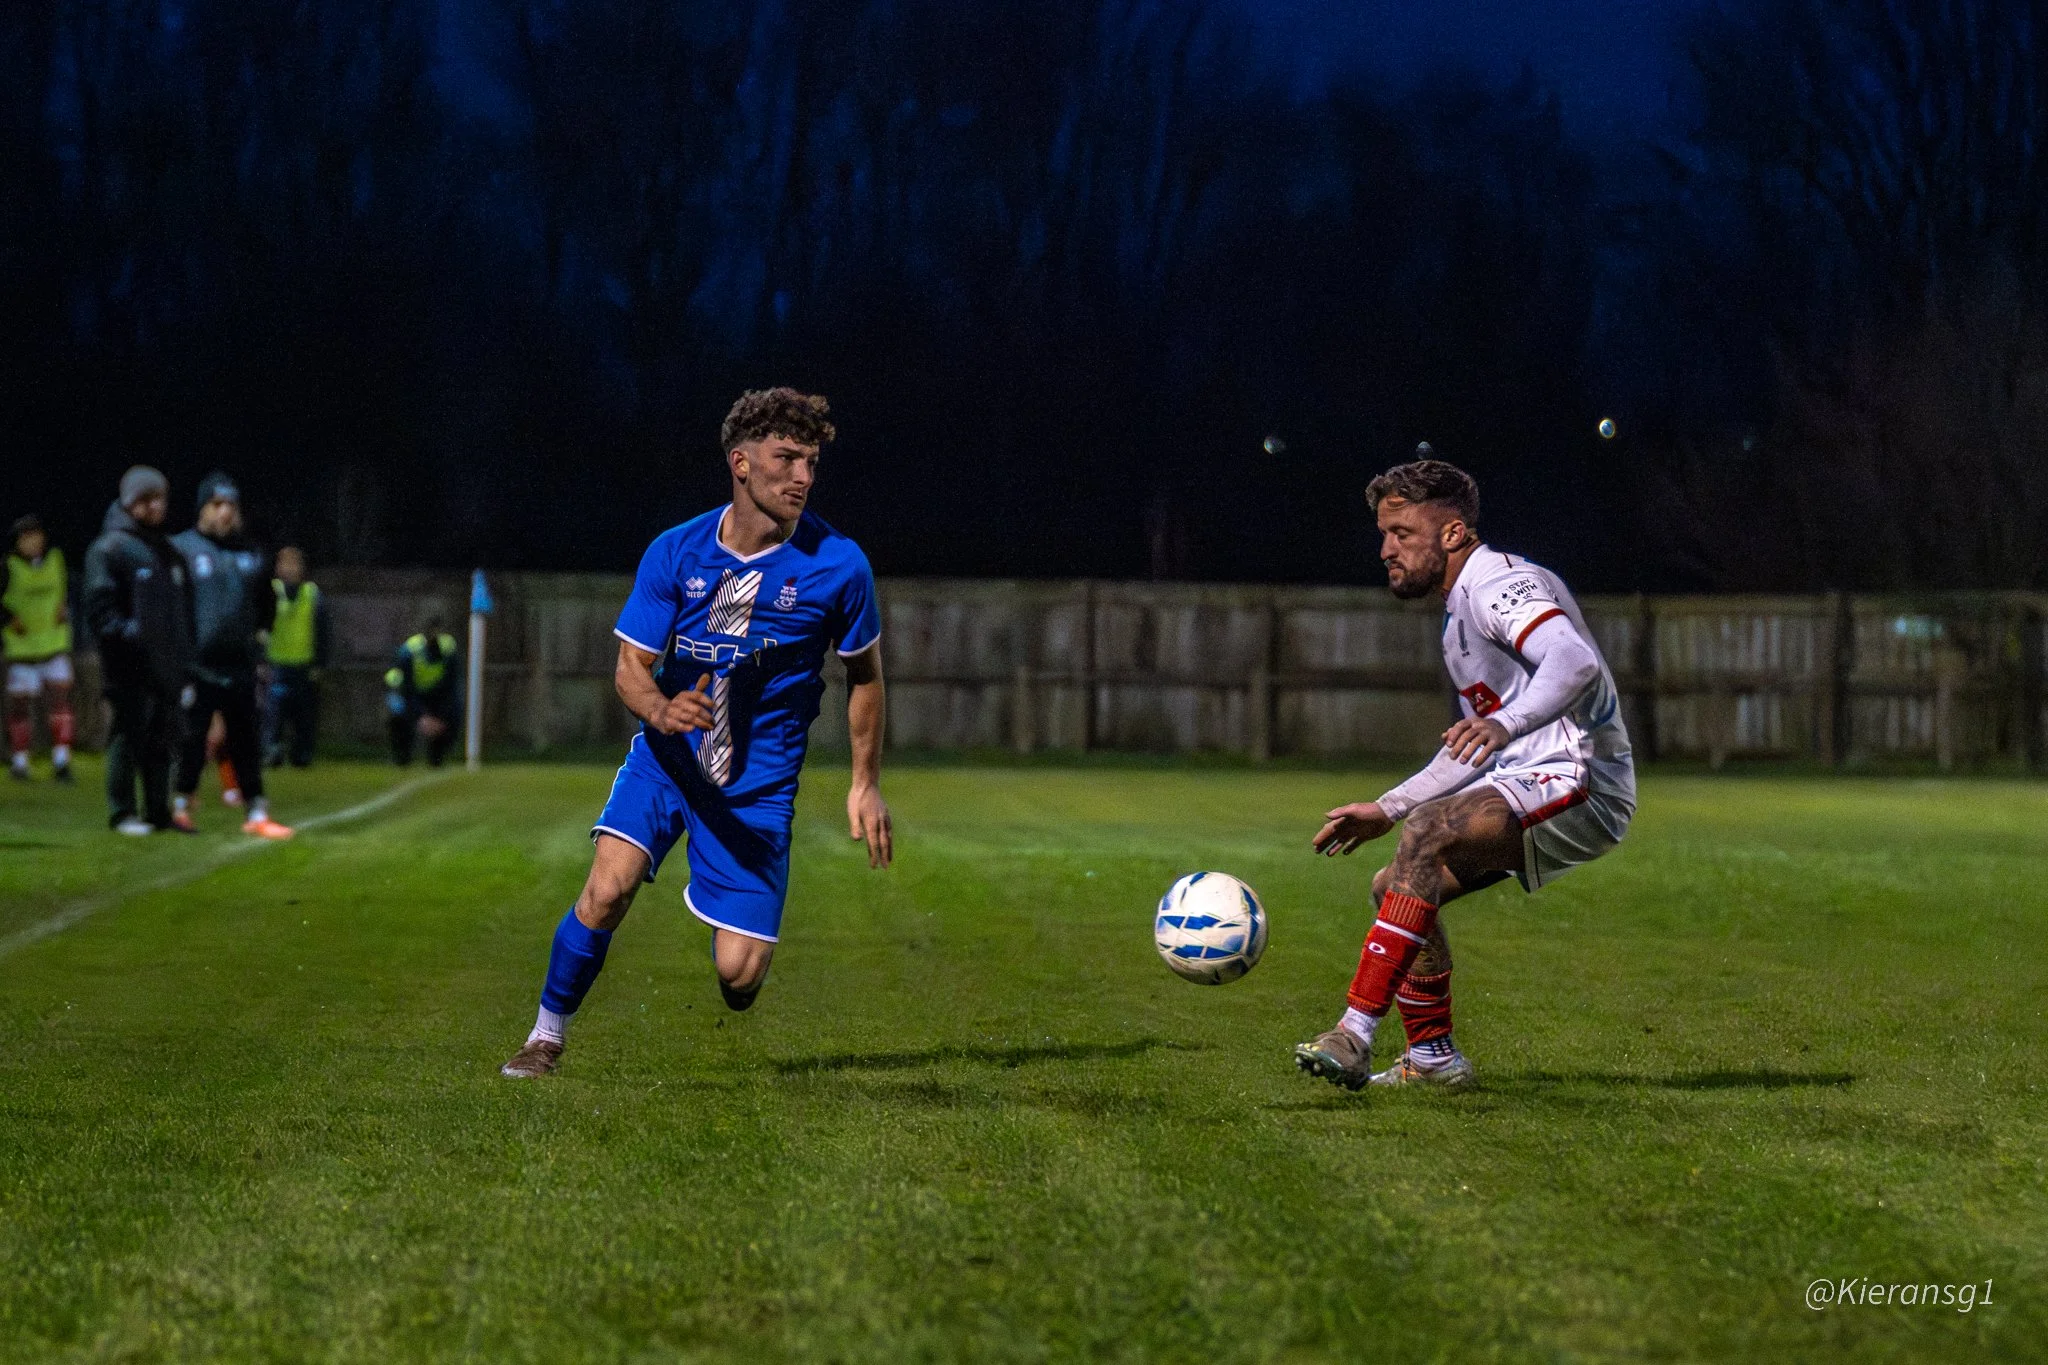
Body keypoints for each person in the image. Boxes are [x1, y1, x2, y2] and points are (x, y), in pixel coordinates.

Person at [501, 387, 892, 1079]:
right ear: (740, 463)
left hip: (756, 784)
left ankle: (734, 955)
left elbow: (865, 675)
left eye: (811, 462)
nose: (803, 476)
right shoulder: (676, 552)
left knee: (739, 977)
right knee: (607, 887)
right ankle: (544, 1036)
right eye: (786, 458)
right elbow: (630, 666)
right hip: (669, 759)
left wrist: (865, 783)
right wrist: (658, 710)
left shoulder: (839, 565)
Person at [1294, 458, 1635, 1091]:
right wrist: (1387, 806)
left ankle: (1353, 1033)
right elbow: (1472, 746)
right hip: (1532, 779)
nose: (1385, 549)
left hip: (1581, 775)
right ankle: (1432, 1062)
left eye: (1402, 533)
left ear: (1453, 533)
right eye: (1383, 534)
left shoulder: (1501, 585)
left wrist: (1507, 725)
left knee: (1428, 834)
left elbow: (1572, 660)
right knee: (1394, 881)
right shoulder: (1459, 618)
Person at [171, 473, 292, 839]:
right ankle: (179, 806)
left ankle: (256, 810)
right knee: (192, 738)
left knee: (245, 739)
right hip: (197, 664)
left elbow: (266, 604)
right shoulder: (182, 549)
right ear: (202, 509)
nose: (225, 513)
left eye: (231, 506)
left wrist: (259, 641)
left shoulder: (252, 554)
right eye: (217, 505)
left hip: (239, 664)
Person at [83, 467, 196, 836]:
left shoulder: (165, 548)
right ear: (131, 502)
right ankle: (122, 813)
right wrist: (129, 634)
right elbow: (101, 609)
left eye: (160, 498)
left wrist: (179, 654)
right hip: (128, 664)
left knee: (161, 739)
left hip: (164, 665)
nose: (156, 506)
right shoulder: (110, 547)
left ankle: (158, 813)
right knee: (128, 734)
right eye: (147, 499)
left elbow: (178, 610)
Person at [4, 515, 77, 782]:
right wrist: (9, 619)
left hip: (54, 646)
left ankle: (62, 760)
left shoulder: (56, 559)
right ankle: (20, 761)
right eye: (26, 537)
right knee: (20, 707)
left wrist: (64, 606)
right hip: (22, 650)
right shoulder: (8, 566)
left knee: (60, 703)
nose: (32, 541)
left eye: (36, 535)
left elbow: (65, 591)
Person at [265, 545, 329, 768]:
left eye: (295, 564)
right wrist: (259, 660)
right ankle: (272, 751)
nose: (290, 569)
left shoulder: (312, 594)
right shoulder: (270, 591)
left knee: (304, 716)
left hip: (304, 665)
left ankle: (302, 754)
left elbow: (323, 630)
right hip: (276, 664)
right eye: (285, 564)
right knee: (273, 715)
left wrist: (320, 664)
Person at [385, 620, 460, 767]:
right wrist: (421, 717)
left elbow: (451, 689)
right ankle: (402, 756)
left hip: (435, 694)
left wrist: (441, 718)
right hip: (404, 693)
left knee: (454, 712)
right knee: (397, 714)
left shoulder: (448, 651)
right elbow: (406, 690)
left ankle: (437, 757)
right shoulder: (409, 653)